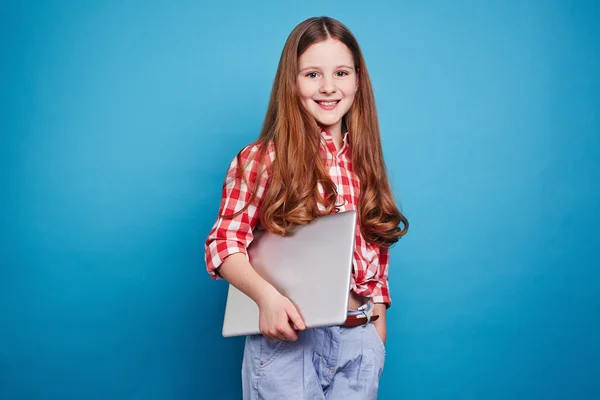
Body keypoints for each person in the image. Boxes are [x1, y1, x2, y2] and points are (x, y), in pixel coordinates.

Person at [204, 16, 409, 399]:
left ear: (358, 80)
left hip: (358, 343)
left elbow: (375, 261)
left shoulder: (364, 164)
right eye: (312, 74)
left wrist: (376, 337)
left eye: (341, 73)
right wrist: (266, 298)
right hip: (288, 344)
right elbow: (223, 244)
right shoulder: (262, 159)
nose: (329, 87)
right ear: (292, 82)